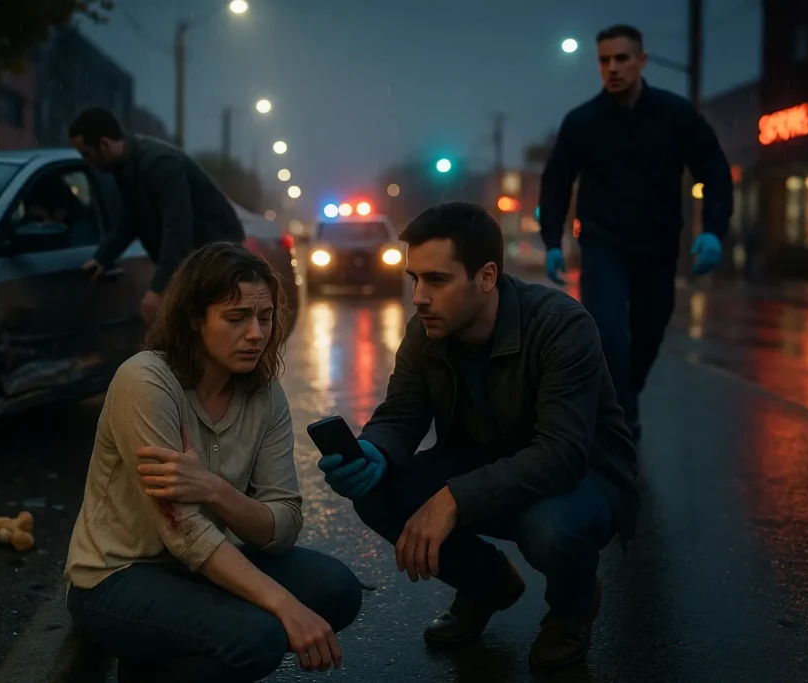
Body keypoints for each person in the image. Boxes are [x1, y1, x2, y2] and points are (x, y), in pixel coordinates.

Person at [316, 203, 640, 670]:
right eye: (415, 279)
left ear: (486, 277)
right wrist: (373, 452)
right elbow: (403, 412)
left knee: (548, 528)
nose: (419, 297)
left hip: (583, 479)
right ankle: (489, 584)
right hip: (484, 464)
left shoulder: (561, 325)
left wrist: (452, 499)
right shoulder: (426, 330)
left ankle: (573, 607)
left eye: (437, 280)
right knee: (377, 491)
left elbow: (561, 455)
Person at [65, 241, 363, 683]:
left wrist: (215, 490)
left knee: (337, 589)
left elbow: (281, 527)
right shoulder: (145, 380)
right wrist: (285, 606)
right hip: (117, 577)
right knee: (258, 637)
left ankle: (159, 661)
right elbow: (185, 534)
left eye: (264, 317)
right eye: (236, 317)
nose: (257, 334)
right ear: (193, 319)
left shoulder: (264, 395)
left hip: (196, 568)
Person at [539, 24, 733, 441]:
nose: (612, 68)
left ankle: (626, 396)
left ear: (642, 61)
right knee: (608, 334)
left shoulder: (676, 115)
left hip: (658, 247)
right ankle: (622, 425)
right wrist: (552, 241)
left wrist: (714, 230)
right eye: (604, 60)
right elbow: (556, 182)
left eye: (622, 58)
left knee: (649, 332)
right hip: (602, 245)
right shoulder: (582, 122)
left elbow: (714, 170)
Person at [68, 107, 246, 326]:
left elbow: (177, 227)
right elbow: (132, 219)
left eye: (87, 153)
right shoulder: (124, 166)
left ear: (104, 144)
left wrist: (159, 288)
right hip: (195, 261)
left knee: (208, 339)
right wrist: (103, 257)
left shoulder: (160, 163)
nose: (87, 161)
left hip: (215, 257)